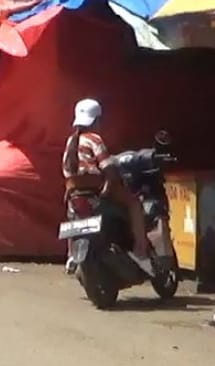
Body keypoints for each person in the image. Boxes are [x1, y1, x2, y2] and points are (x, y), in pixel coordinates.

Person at [62, 98, 153, 275]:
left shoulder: (71, 142)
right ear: (97, 121)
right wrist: (108, 187)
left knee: (73, 218)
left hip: (74, 191)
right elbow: (109, 168)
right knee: (134, 204)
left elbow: (67, 170)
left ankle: (70, 254)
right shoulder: (94, 139)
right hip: (96, 189)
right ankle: (140, 251)